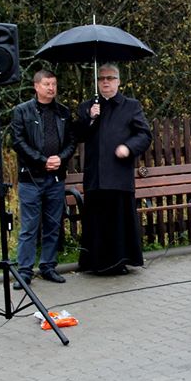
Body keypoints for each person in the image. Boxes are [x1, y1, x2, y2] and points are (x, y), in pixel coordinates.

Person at [74, 63, 153, 274]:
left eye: (110, 78)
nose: (105, 82)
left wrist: (128, 147)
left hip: (118, 174)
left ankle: (119, 262)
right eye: (101, 79)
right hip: (95, 175)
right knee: (97, 221)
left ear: (118, 81)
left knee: (118, 221)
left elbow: (144, 135)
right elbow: (78, 135)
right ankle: (96, 264)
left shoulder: (131, 106)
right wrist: (90, 118)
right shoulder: (88, 107)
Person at [10, 69, 77, 289]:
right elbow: (18, 142)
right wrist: (42, 160)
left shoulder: (63, 112)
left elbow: (71, 141)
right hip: (31, 178)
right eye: (47, 84)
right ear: (36, 86)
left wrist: (61, 158)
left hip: (55, 178)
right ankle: (25, 271)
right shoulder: (22, 111)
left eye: (54, 84)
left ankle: (48, 266)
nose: (51, 88)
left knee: (53, 224)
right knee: (29, 227)